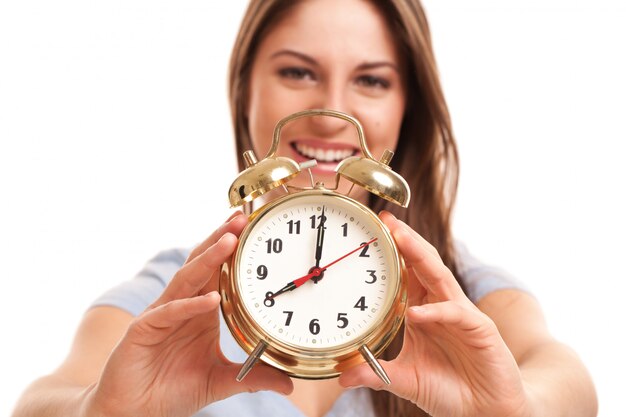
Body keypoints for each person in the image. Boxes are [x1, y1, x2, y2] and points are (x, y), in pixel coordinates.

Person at [11, 0, 598, 416]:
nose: (329, 110)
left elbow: (563, 376)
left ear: (405, 108)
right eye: (297, 71)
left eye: (371, 80)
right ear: (245, 88)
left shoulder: (460, 293)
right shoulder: (175, 296)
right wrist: (101, 412)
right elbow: (42, 401)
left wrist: (519, 410)